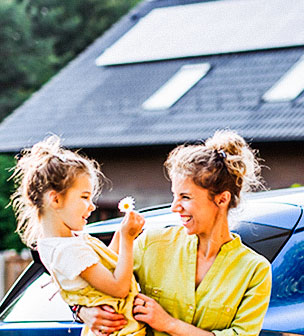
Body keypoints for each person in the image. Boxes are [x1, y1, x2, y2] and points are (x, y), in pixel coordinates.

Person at [78, 130, 272, 336]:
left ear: (222, 199)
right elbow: (92, 286)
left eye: (185, 197)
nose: (174, 207)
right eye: (174, 196)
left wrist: (169, 324)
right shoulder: (151, 244)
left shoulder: (254, 271)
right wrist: (83, 312)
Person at [10, 135, 147, 336]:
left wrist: (119, 235)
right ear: (55, 200)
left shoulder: (58, 244)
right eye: (84, 197)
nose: (92, 206)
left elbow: (103, 269)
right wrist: (127, 239)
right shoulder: (67, 250)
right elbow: (118, 288)